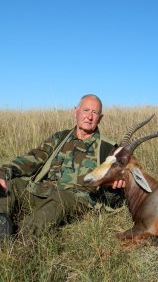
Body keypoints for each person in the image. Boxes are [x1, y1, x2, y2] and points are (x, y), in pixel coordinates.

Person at [0, 94, 125, 241]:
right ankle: (2, 225)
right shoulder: (60, 138)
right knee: (12, 185)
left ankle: (17, 241)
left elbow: (114, 198)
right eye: (85, 110)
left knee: (60, 199)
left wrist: (114, 189)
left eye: (95, 112)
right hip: (44, 191)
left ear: (100, 118)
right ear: (75, 112)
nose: (89, 116)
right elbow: (32, 158)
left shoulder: (109, 149)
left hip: (76, 200)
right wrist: (4, 172)